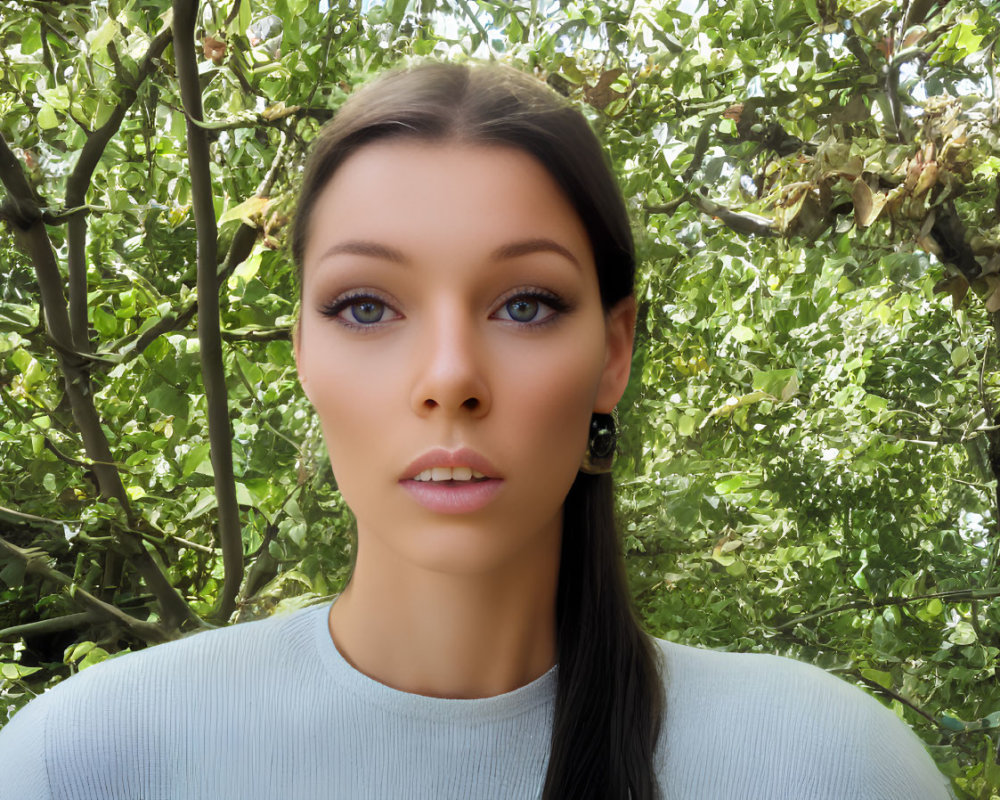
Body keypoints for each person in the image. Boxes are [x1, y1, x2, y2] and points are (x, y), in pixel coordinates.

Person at [0, 61, 953, 800]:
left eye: (527, 304)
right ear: (302, 352)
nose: (450, 377)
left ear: (612, 354)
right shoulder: (83, 762)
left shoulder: (831, 765)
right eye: (367, 307)